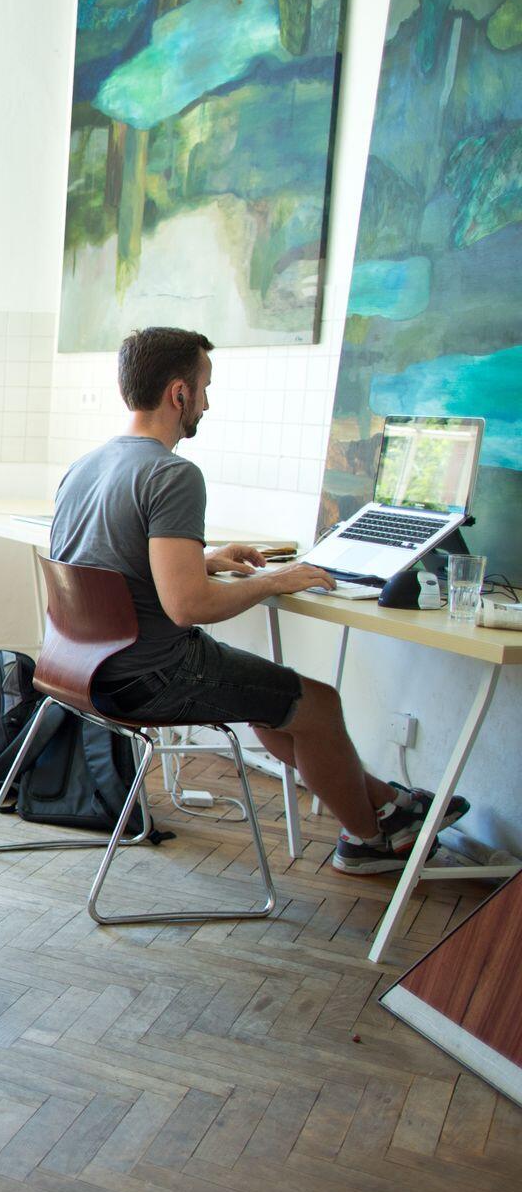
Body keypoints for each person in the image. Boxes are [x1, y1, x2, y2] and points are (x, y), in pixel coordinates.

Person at [50, 326, 467, 874]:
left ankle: (391, 808)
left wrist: (201, 560)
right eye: (204, 388)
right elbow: (188, 608)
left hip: (81, 668)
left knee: (280, 706)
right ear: (179, 393)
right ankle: (371, 839)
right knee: (318, 704)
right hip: (151, 676)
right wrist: (274, 580)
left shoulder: (87, 466)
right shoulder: (172, 474)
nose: (207, 403)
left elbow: (106, 561)